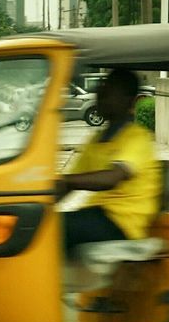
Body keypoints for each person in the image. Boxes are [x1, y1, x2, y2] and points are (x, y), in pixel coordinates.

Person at [54, 68, 161, 255]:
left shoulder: (138, 138)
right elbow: (69, 184)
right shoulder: (96, 139)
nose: (99, 98)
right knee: (39, 225)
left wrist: (67, 180)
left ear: (128, 99)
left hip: (123, 223)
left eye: (107, 93)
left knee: (54, 230)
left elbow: (112, 177)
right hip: (97, 214)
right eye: (100, 93)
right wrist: (39, 203)